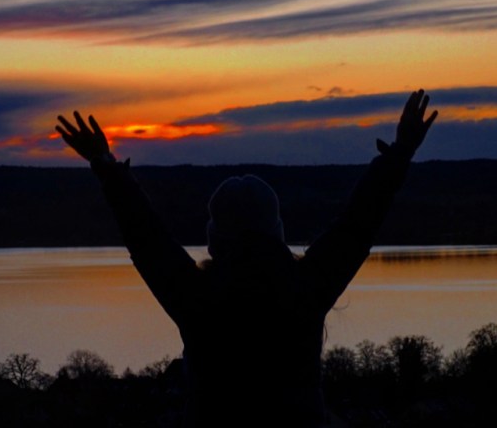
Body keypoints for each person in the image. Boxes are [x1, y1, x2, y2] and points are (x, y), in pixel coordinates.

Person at [56, 90, 437, 427]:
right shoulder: (305, 287)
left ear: (216, 240)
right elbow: (358, 223)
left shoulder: (197, 296)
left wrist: (106, 166)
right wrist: (400, 154)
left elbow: (145, 237)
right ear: (276, 230)